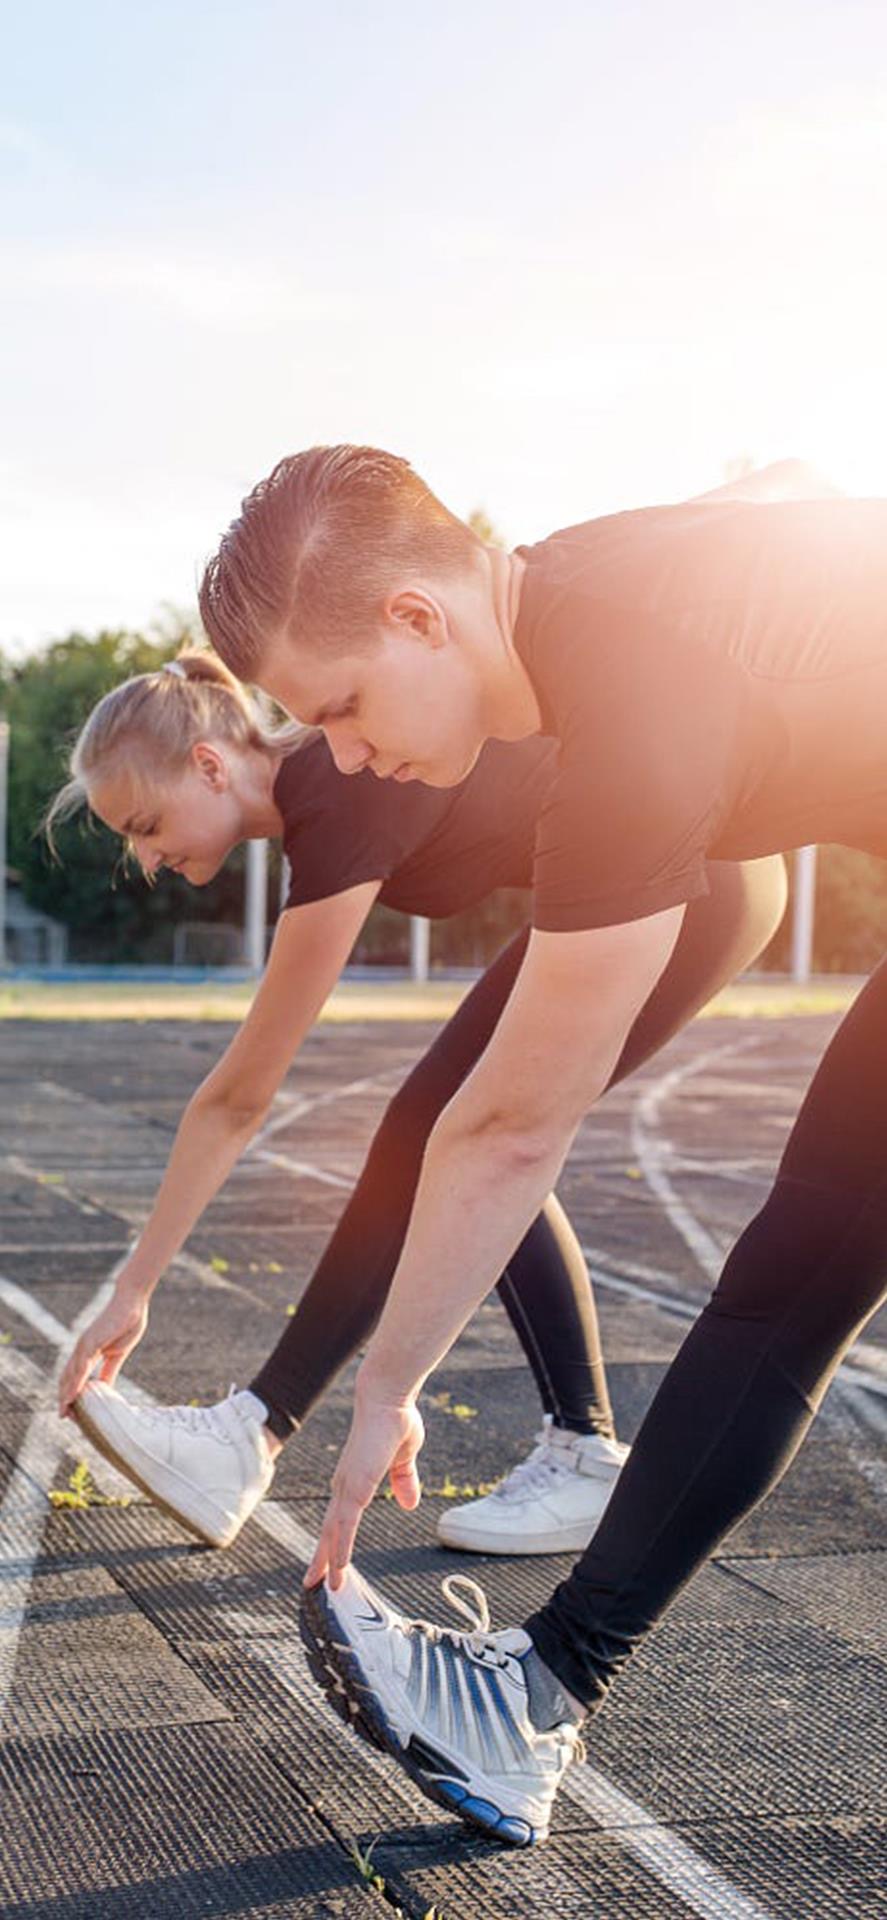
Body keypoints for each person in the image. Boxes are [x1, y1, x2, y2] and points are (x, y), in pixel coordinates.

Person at [198, 445, 887, 1848]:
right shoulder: (570, 616)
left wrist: (381, 1391)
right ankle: (539, 1697)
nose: (340, 756)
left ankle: (537, 1698)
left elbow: (512, 1125)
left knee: (793, 1270)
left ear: (413, 615)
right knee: (792, 1270)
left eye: (337, 707)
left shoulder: (627, 694)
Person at [52, 651, 784, 1557]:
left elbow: (240, 1094)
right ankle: (559, 1442)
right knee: (450, 1130)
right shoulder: (327, 792)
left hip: (698, 875)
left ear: (209, 764)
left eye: (148, 823)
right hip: (657, 874)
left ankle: (269, 1433)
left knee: (446, 1130)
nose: (147, 857)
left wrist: (134, 1288)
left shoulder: (336, 788)